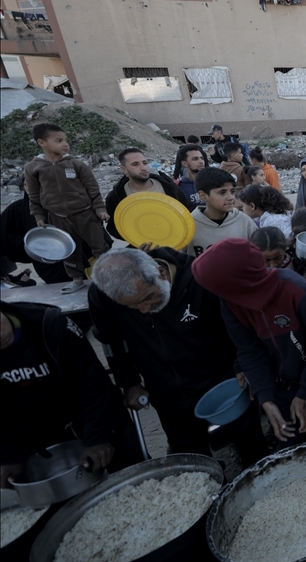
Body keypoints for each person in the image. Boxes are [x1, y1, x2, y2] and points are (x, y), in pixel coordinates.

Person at [88, 247, 267, 465]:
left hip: (222, 381)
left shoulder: (201, 278)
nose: (144, 310)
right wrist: (129, 382)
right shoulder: (102, 294)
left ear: (160, 273)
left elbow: (238, 325)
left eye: (148, 297)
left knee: (251, 445)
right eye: (133, 307)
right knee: (191, 459)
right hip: (166, 391)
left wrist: (242, 365)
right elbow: (111, 340)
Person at [192, 238, 306, 447]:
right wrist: (266, 399)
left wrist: (304, 392)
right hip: (278, 387)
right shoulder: (230, 302)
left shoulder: (299, 291)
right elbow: (248, 350)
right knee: (287, 443)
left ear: (239, 280)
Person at [1, 300, 128, 485]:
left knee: (132, 480)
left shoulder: (50, 324)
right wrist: (9, 455)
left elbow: (94, 383)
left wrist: (97, 437)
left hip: (97, 420)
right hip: (41, 439)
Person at [23, 123, 110, 293]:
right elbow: (33, 195)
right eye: (59, 140)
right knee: (69, 250)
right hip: (58, 217)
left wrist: (100, 209)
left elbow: (93, 188)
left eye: (66, 140)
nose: (65, 144)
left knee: (100, 247)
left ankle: (109, 277)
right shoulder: (33, 168)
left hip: (86, 214)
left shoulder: (76, 164)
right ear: (42, 142)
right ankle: (77, 280)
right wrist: (39, 216)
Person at [105, 148, 193, 241]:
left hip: (176, 241)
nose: (143, 168)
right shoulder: (116, 196)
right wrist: (137, 239)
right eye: (135, 164)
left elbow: (188, 210)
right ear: (124, 169)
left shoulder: (168, 186)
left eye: (145, 163)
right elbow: (114, 228)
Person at [187, 168, 256, 257]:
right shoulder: (189, 225)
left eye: (232, 191)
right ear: (203, 196)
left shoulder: (244, 221)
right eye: (222, 192)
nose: (231, 197)